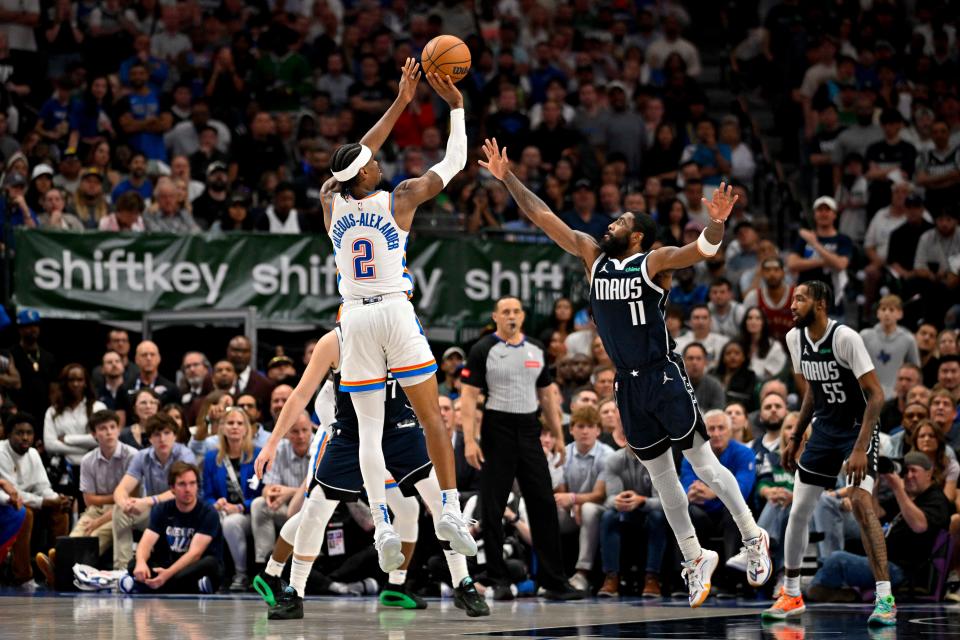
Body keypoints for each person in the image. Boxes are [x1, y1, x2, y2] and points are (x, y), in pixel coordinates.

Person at [480, 136, 771, 608]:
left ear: (635, 235)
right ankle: (695, 557)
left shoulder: (651, 262)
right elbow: (542, 216)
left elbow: (702, 250)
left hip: (663, 375)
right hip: (628, 384)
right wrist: (507, 177)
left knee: (703, 465)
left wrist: (716, 224)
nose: (610, 224)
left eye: (620, 222)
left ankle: (753, 537)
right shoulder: (593, 258)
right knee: (661, 478)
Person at [316, 59, 473, 569]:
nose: (377, 161)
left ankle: (382, 521)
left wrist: (402, 100)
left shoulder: (329, 202)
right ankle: (449, 511)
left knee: (366, 431)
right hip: (395, 314)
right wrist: (456, 108)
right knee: (431, 417)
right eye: (370, 161)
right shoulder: (400, 199)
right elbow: (453, 162)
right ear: (361, 171)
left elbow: (348, 162)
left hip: (354, 320)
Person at [254, 327, 488, 619]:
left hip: (395, 435)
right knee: (315, 512)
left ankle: (417, 585)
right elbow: (318, 398)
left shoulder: (401, 329)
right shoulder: (339, 339)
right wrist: (322, 433)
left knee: (413, 507)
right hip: (348, 437)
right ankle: (276, 575)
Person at [764, 281, 894, 626]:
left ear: (820, 304)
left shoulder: (845, 338)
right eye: (792, 298)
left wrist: (859, 448)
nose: (792, 305)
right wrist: (795, 435)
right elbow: (812, 391)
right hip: (824, 427)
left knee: (863, 505)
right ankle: (791, 593)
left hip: (857, 427)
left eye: (800, 299)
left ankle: (885, 600)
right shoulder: (795, 339)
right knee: (799, 509)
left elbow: (877, 395)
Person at [459, 297, 581, 600]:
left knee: (543, 503)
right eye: (506, 312)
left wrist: (559, 435)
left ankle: (554, 580)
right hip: (496, 429)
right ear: (496, 316)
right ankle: (497, 578)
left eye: (516, 311)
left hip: (529, 429)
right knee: (493, 505)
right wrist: (471, 440)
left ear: (523, 317)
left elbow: (548, 398)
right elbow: (469, 396)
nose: (511, 316)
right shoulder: (483, 349)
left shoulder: (537, 349)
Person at [806, 452, 950, 603]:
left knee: (836, 559)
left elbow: (920, 525)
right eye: (906, 471)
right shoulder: (908, 497)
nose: (908, 476)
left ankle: (822, 588)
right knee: (839, 550)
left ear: (929, 473)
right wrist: (875, 484)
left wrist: (897, 488)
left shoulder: (936, 498)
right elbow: (875, 515)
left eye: (914, 471)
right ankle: (825, 589)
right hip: (881, 561)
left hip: (901, 570)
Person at [35, 410, 137, 580]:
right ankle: (57, 566)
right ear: (94, 434)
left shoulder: (132, 456)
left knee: (93, 537)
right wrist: (116, 495)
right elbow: (89, 500)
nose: (109, 432)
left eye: (113, 427)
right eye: (103, 428)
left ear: (119, 430)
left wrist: (101, 515)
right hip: (95, 509)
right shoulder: (88, 460)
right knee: (73, 539)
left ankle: (59, 569)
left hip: (123, 511)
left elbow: (129, 499)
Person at [123, 462, 224, 594]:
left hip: (194, 565)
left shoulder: (208, 512)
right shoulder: (161, 509)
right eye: (182, 484)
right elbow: (146, 543)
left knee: (211, 564)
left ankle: (143, 586)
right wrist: (141, 563)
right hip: (170, 563)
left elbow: (195, 554)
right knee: (134, 563)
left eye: (192, 483)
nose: (188, 489)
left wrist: (167, 575)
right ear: (172, 488)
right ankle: (193, 587)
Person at [112, 413, 196, 570]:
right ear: (150, 438)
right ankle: (122, 570)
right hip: (156, 511)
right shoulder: (142, 456)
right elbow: (121, 489)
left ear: (175, 436)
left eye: (167, 433)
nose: (162, 439)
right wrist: (125, 503)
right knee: (120, 511)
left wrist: (148, 501)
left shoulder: (185, 454)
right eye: (157, 434)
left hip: (182, 512)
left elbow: (183, 490)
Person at [597, 419, 667, 598]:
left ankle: (652, 577)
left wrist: (642, 501)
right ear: (624, 439)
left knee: (658, 516)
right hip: (626, 512)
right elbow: (609, 499)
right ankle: (611, 576)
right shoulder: (614, 460)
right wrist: (619, 501)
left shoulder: (659, 461)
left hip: (649, 510)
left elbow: (665, 502)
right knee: (608, 516)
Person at [0, 414, 71, 588]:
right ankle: (24, 577)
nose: (25, 437)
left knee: (60, 512)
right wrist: (43, 502)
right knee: (25, 514)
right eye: (20, 433)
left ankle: (58, 570)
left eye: (29, 433)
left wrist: (56, 499)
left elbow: (43, 487)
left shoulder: (32, 453)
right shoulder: (1, 453)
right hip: (7, 506)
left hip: (30, 501)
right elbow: (14, 494)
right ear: (8, 434)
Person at [202, 406, 261, 591]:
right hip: (223, 511)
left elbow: (263, 494)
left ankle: (241, 574)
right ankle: (215, 574)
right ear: (222, 427)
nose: (235, 427)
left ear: (246, 428)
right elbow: (207, 495)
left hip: (250, 512)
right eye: (230, 423)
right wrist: (216, 503)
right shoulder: (212, 458)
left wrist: (241, 507)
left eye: (239, 423)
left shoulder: (258, 454)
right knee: (216, 519)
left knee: (230, 523)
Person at [250, 413, 312, 574]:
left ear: (311, 430)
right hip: (287, 511)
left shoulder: (321, 448)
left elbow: (320, 490)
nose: (301, 436)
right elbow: (267, 488)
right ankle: (263, 565)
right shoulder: (279, 449)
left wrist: (289, 492)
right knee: (259, 504)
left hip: (313, 512)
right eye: (295, 431)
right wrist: (270, 495)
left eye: (305, 430)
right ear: (287, 433)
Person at [859, 295, 921, 399]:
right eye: (883, 309)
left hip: (896, 396)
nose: (887, 313)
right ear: (878, 313)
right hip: (868, 394)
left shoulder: (908, 339)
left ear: (900, 314)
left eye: (891, 310)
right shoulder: (865, 336)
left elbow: (916, 369)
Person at [682, 343, 726, 411]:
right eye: (690, 358)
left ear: (705, 361)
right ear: (683, 361)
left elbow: (718, 413)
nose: (694, 362)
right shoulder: (674, 384)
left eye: (699, 358)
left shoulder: (715, 386)